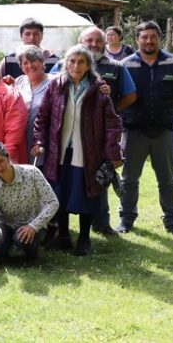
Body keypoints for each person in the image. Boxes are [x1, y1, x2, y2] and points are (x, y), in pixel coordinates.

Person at [32, 45, 124, 255]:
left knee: (86, 194)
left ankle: (84, 239)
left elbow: (112, 123)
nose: (76, 65)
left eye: (81, 61)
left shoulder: (99, 89)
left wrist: (113, 152)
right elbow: (43, 117)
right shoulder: (56, 85)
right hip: (60, 150)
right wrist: (39, 141)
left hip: (88, 151)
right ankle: (63, 236)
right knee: (60, 194)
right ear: (65, 63)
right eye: (72, 61)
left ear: (88, 65)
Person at [54, 27, 137, 235]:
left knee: (96, 182)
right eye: (88, 40)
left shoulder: (115, 68)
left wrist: (109, 107)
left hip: (95, 137)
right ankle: (62, 232)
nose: (93, 45)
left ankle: (101, 223)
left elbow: (130, 95)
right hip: (67, 140)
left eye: (98, 41)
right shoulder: (62, 69)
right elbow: (52, 90)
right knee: (65, 184)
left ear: (104, 43)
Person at [118, 22, 173, 235]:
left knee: (167, 179)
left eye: (153, 37)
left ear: (159, 38)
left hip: (165, 130)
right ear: (137, 40)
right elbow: (119, 96)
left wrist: (168, 107)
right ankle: (126, 219)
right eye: (144, 37)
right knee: (129, 178)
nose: (148, 41)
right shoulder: (124, 65)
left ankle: (172, 221)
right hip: (133, 130)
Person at [0, 141, 59, 270]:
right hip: (6, 225)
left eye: (1, 161)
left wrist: (33, 226)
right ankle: (6, 253)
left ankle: (32, 255)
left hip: (31, 224)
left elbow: (53, 202)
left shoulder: (32, 173)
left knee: (22, 238)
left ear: (8, 156)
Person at [12, 46, 55, 165]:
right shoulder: (19, 81)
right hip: (22, 142)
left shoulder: (55, 82)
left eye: (33, 61)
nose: (30, 66)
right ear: (20, 66)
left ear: (42, 62)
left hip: (45, 143)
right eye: (25, 62)